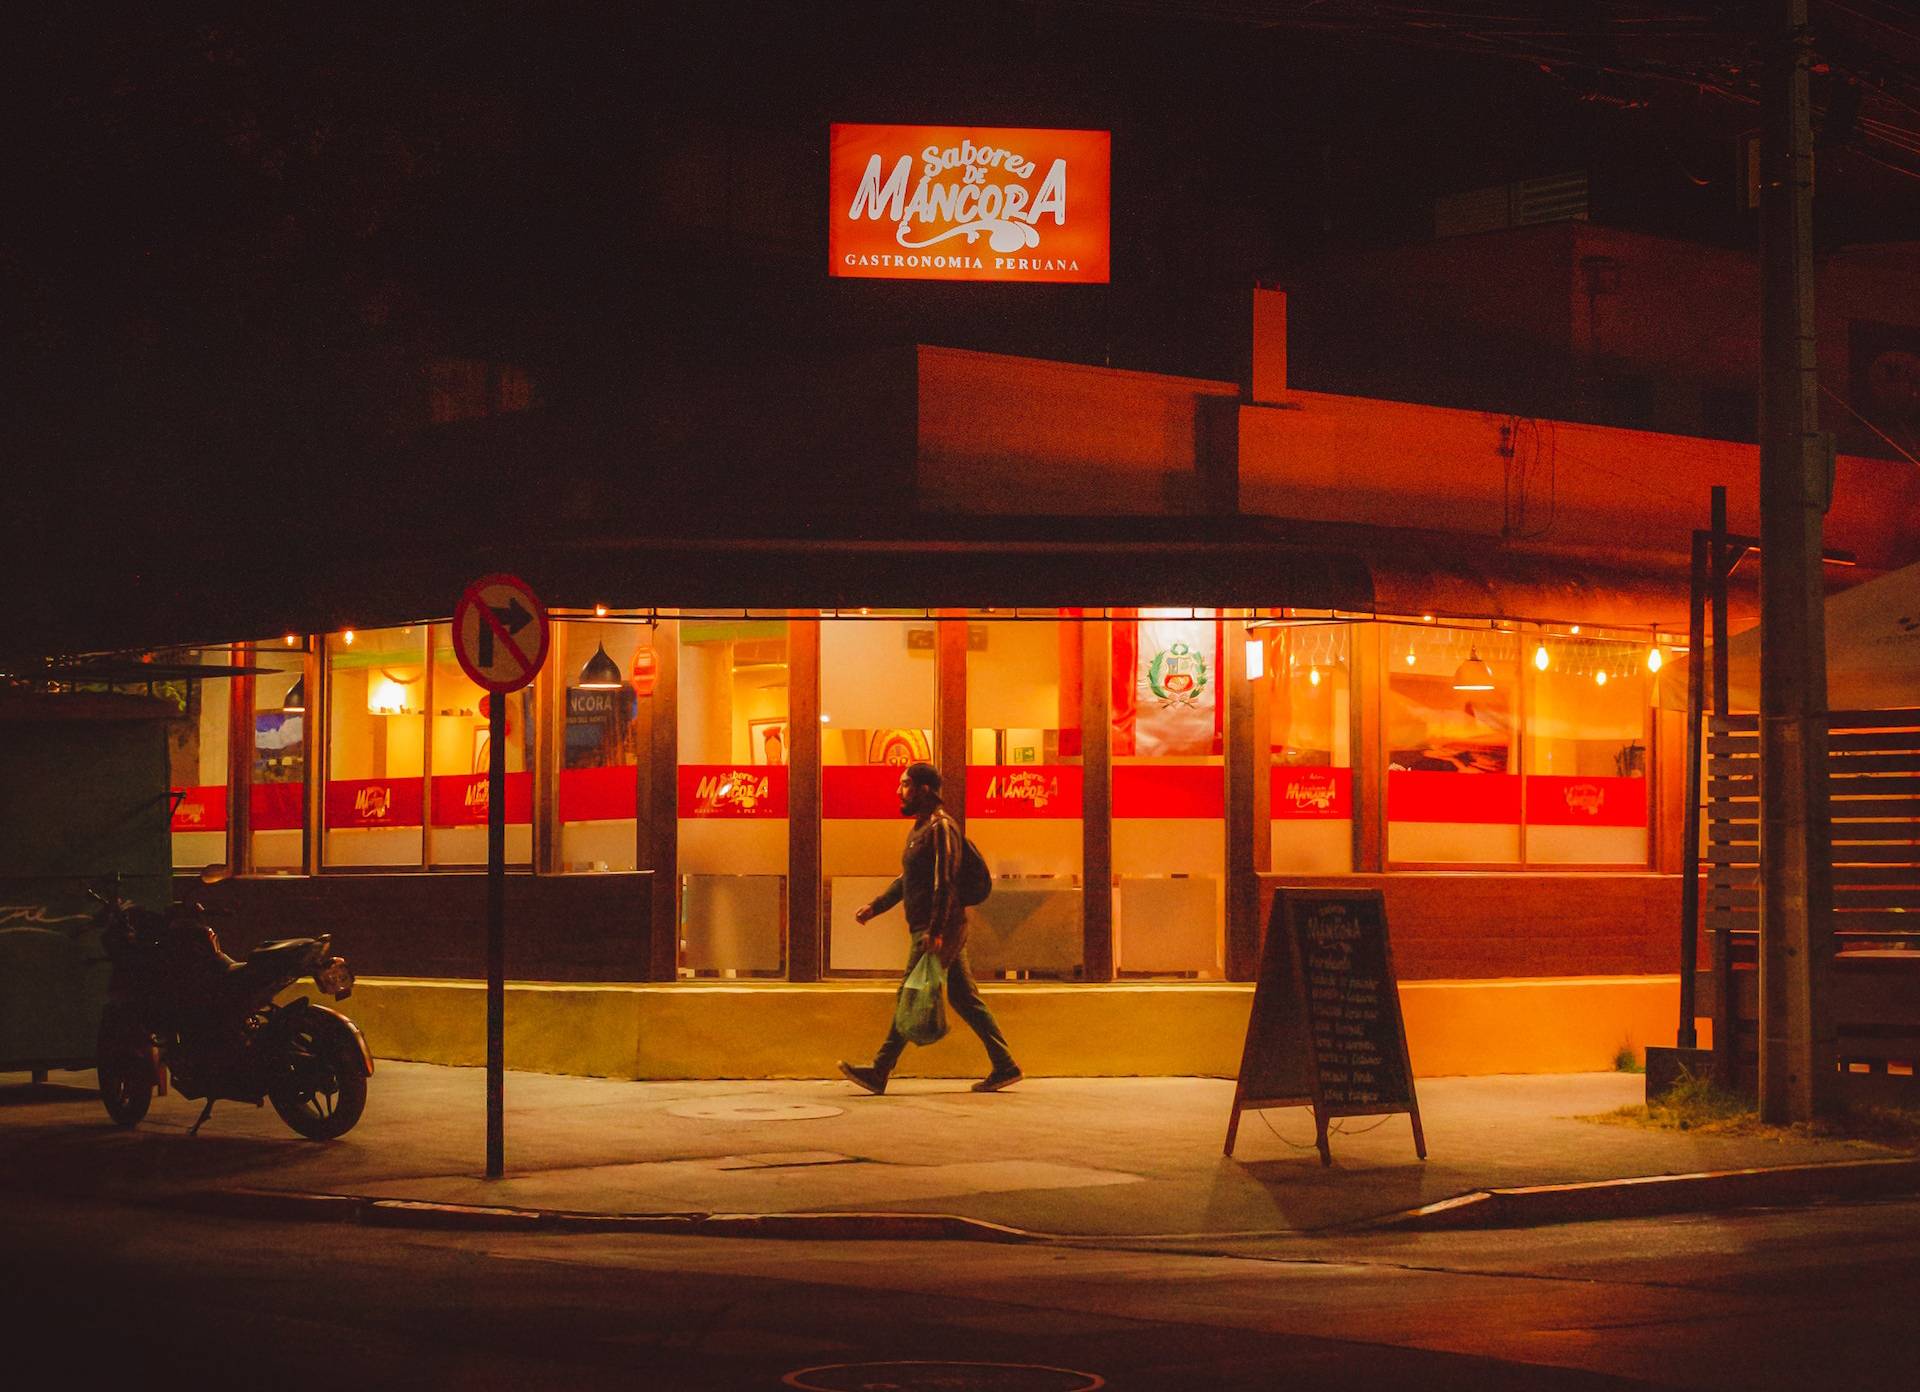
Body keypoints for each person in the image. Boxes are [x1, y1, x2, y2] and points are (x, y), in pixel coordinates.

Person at [838, 761, 1021, 1095]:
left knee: (909, 992)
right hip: (935, 927)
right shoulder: (920, 829)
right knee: (965, 999)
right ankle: (1005, 1065)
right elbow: (908, 880)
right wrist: (876, 906)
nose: (899, 791)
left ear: (924, 790)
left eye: (905, 784)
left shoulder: (941, 828)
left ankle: (879, 1070)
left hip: (938, 929)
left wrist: (935, 930)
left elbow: (944, 882)